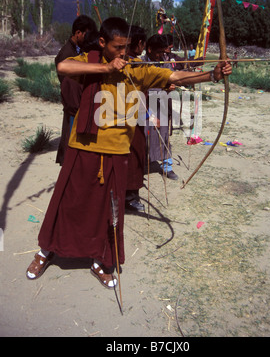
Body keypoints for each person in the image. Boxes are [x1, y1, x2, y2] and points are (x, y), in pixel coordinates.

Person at [25, 17, 232, 289]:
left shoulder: (138, 70)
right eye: (117, 47)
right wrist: (105, 66)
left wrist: (212, 75)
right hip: (83, 146)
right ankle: (46, 251)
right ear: (103, 43)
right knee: (68, 202)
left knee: (108, 211)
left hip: (116, 151)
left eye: (126, 48)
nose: (123, 53)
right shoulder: (91, 59)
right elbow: (63, 66)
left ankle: (100, 260)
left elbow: (175, 75)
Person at [55, 15, 100, 166]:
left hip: (77, 105)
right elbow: (69, 84)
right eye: (86, 34)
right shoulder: (67, 54)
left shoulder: (77, 50)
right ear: (78, 33)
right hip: (74, 106)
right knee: (71, 145)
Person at [142, 34, 179, 180]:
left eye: (163, 53)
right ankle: (142, 163)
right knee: (144, 135)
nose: (161, 56)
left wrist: (169, 87)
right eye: (158, 53)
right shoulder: (140, 63)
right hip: (144, 104)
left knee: (163, 134)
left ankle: (167, 166)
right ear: (149, 49)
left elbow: (170, 76)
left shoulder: (164, 61)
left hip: (161, 103)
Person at [125, 25, 147, 212]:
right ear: (139, 43)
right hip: (130, 118)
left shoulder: (126, 61)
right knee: (133, 157)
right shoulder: (134, 63)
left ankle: (127, 196)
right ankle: (130, 198)